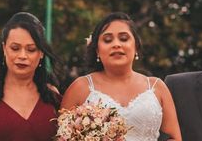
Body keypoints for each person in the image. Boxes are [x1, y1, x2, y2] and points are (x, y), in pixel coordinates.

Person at [61, 12, 182, 141]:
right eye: (108, 40)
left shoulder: (157, 87)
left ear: (136, 47)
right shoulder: (80, 88)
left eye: (124, 38)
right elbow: (62, 135)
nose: (116, 44)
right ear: (97, 50)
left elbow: (175, 137)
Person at [0, 12, 61, 141]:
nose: (22, 56)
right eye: (15, 48)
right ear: (4, 48)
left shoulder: (52, 96)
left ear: (41, 53)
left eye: (31, 49)